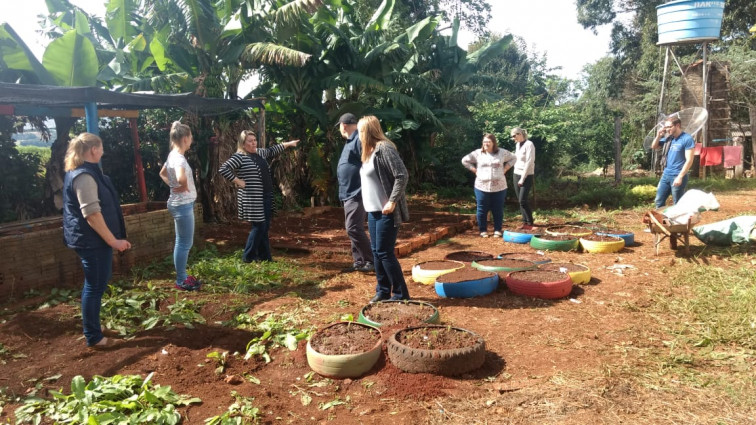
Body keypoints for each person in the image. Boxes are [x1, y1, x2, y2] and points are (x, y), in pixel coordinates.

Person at [62, 133, 131, 348]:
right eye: (101, 148)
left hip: (92, 240)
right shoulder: (84, 177)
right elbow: (91, 214)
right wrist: (113, 241)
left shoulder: (85, 172)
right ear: (93, 150)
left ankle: (94, 326)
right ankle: (94, 337)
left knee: (94, 284)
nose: (103, 152)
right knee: (95, 286)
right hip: (93, 242)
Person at [219, 130, 299, 263]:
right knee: (259, 226)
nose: (253, 143)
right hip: (252, 198)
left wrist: (289, 144)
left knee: (264, 226)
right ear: (243, 144)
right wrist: (239, 181)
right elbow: (224, 169)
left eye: (254, 140)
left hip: (266, 196)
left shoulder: (259, 153)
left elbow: (272, 150)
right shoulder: (240, 156)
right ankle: (248, 257)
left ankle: (265, 257)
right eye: (250, 141)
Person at [357, 115, 411, 302]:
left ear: (369, 131)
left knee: (384, 252)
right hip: (373, 211)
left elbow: (402, 175)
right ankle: (382, 290)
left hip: (386, 210)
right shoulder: (369, 152)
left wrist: (392, 201)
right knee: (376, 251)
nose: (358, 134)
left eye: (360, 131)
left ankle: (401, 294)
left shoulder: (384, 149)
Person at [159, 121, 200, 291]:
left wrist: (173, 185)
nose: (191, 141)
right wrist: (182, 186)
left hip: (179, 204)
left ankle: (181, 276)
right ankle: (181, 279)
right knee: (184, 243)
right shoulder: (179, 159)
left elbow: (162, 173)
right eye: (190, 138)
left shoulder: (172, 155)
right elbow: (181, 178)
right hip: (182, 205)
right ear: (184, 139)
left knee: (181, 241)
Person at [336, 113, 374, 273]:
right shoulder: (351, 140)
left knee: (352, 227)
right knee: (354, 227)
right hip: (348, 192)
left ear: (343, 125)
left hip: (356, 192)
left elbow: (369, 162)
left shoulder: (359, 140)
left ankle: (371, 261)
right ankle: (359, 261)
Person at [462, 133, 516, 238]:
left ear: (493, 143)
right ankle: (483, 230)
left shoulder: (502, 152)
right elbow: (464, 160)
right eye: (484, 141)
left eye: (489, 142)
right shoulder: (477, 153)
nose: (486, 144)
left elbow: (514, 158)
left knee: (498, 209)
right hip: (481, 186)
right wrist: (474, 170)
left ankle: (497, 230)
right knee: (482, 208)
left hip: (499, 186)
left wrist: (505, 169)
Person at [651, 116, 695, 208]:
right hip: (666, 174)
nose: (667, 129)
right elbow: (654, 146)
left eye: (669, 127)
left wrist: (680, 177)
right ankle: (661, 221)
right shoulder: (669, 139)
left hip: (677, 175)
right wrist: (659, 135)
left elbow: (689, 160)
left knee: (678, 203)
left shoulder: (687, 139)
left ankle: (679, 221)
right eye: (665, 127)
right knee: (659, 201)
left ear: (677, 125)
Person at [510, 127, 535, 228]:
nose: (513, 138)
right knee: (520, 201)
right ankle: (524, 222)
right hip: (516, 173)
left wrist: (522, 178)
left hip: (527, 175)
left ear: (519, 134)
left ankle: (530, 223)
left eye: (514, 136)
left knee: (523, 200)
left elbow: (529, 162)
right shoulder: (517, 145)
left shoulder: (529, 144)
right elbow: (517, 159)